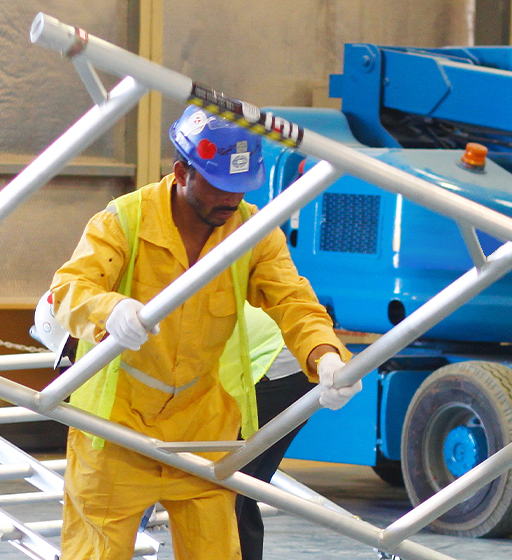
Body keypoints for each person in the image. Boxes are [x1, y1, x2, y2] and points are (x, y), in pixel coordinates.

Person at [49, 106, 357, 560]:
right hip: (116, 428)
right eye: (220, 185)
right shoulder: (124, 221)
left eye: (241, 186)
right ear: (181, 173)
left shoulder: (250, 230)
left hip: (202, 429)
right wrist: (110, 309)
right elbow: (69, 289)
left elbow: (292, 300)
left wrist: (325, 355)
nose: (232, 200)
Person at [28, 292, 313, 560]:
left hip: (272, 362)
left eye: (73, 348)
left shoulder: (134, 327)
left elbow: (160, 413)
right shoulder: (127, 309)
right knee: (241, 488)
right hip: (290, 356)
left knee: (221, 488)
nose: (78, 356)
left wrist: (140, 499)